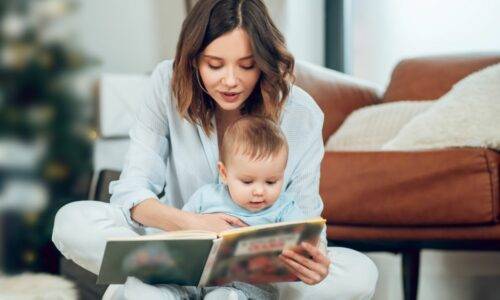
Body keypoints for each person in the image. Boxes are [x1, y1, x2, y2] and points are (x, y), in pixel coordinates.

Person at [52, 0, 378, 299]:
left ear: (264, 62)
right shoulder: (166, 84)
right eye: (215, 65)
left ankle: (147, 285)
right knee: (72, 221)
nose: (230, 81)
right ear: (194, 60)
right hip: (173, 244)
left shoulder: (300, 114)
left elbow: (306, 221)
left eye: (247, 66)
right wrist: (191, 224)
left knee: (360, 273)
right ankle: (162, 280)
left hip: (255, 272)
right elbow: (133, 191)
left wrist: (313, 261)